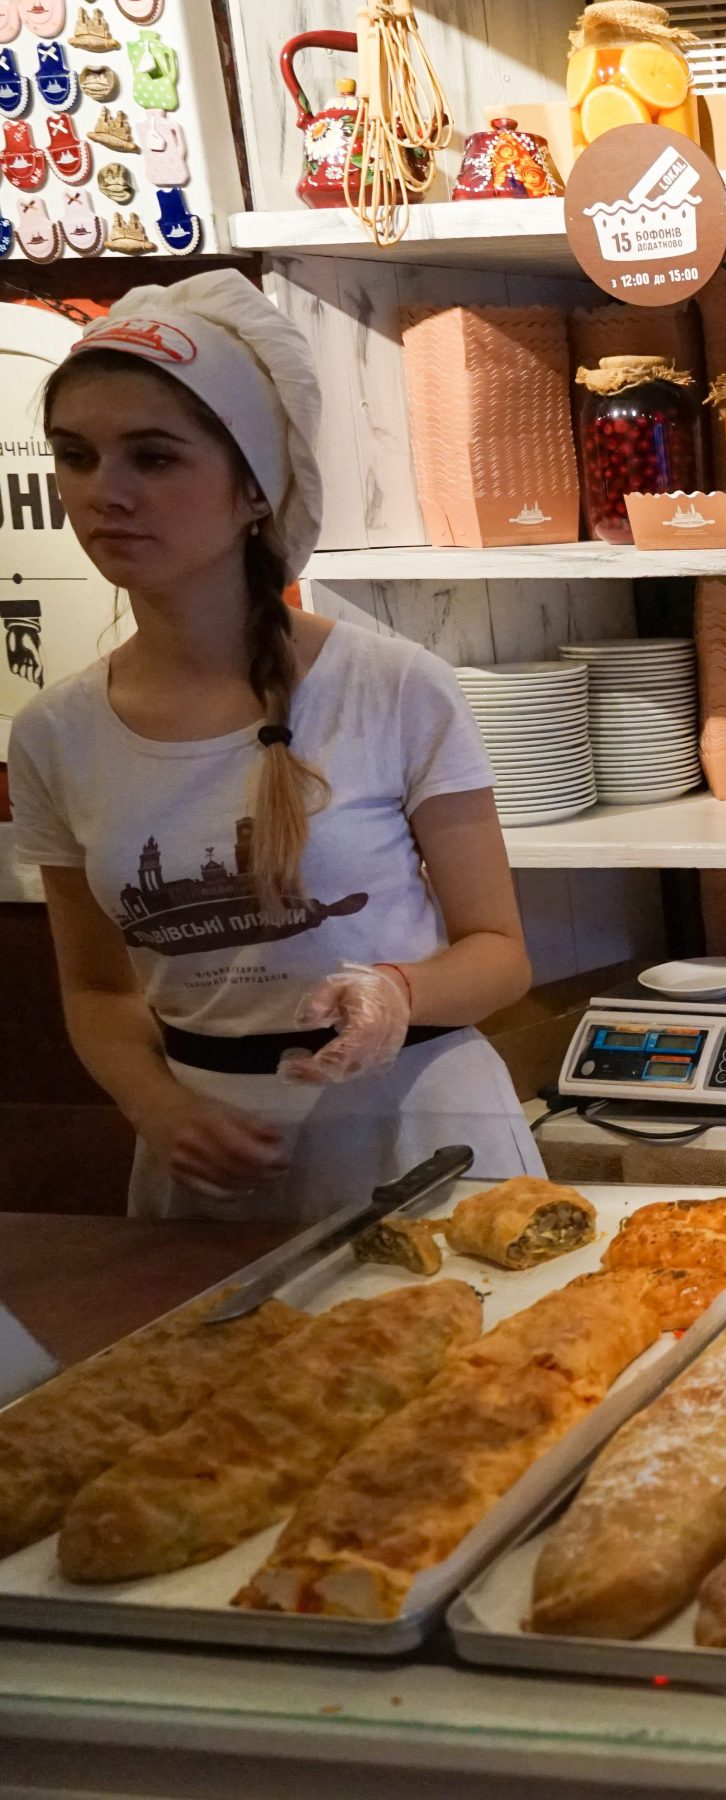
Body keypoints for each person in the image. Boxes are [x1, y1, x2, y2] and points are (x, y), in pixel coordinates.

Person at [9, 271, 540, 1219]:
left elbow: (499, 952)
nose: (106, 494)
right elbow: (95, 990)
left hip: (418, 1132)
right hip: (212, 1162)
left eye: (155, 458)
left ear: (256, 488)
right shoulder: (55, 736)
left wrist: (396, 991)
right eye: (78, 457)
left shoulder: (392, 686)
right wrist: (159, 1108)